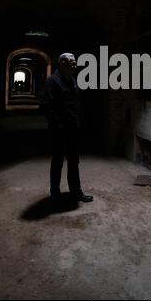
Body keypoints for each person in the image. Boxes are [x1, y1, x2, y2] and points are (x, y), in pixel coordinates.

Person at [41, 53, 93, 204]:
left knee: (73, 162)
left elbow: (75, 102)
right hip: (59, 131)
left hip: (73, 129)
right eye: (71, 62)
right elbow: (45, 106)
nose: (74, 65)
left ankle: (76, 192)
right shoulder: (52, 81)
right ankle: (55, 194)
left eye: (75, 62)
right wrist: (58, 125)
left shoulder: (71, 79)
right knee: (57, 161)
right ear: (62, 63)